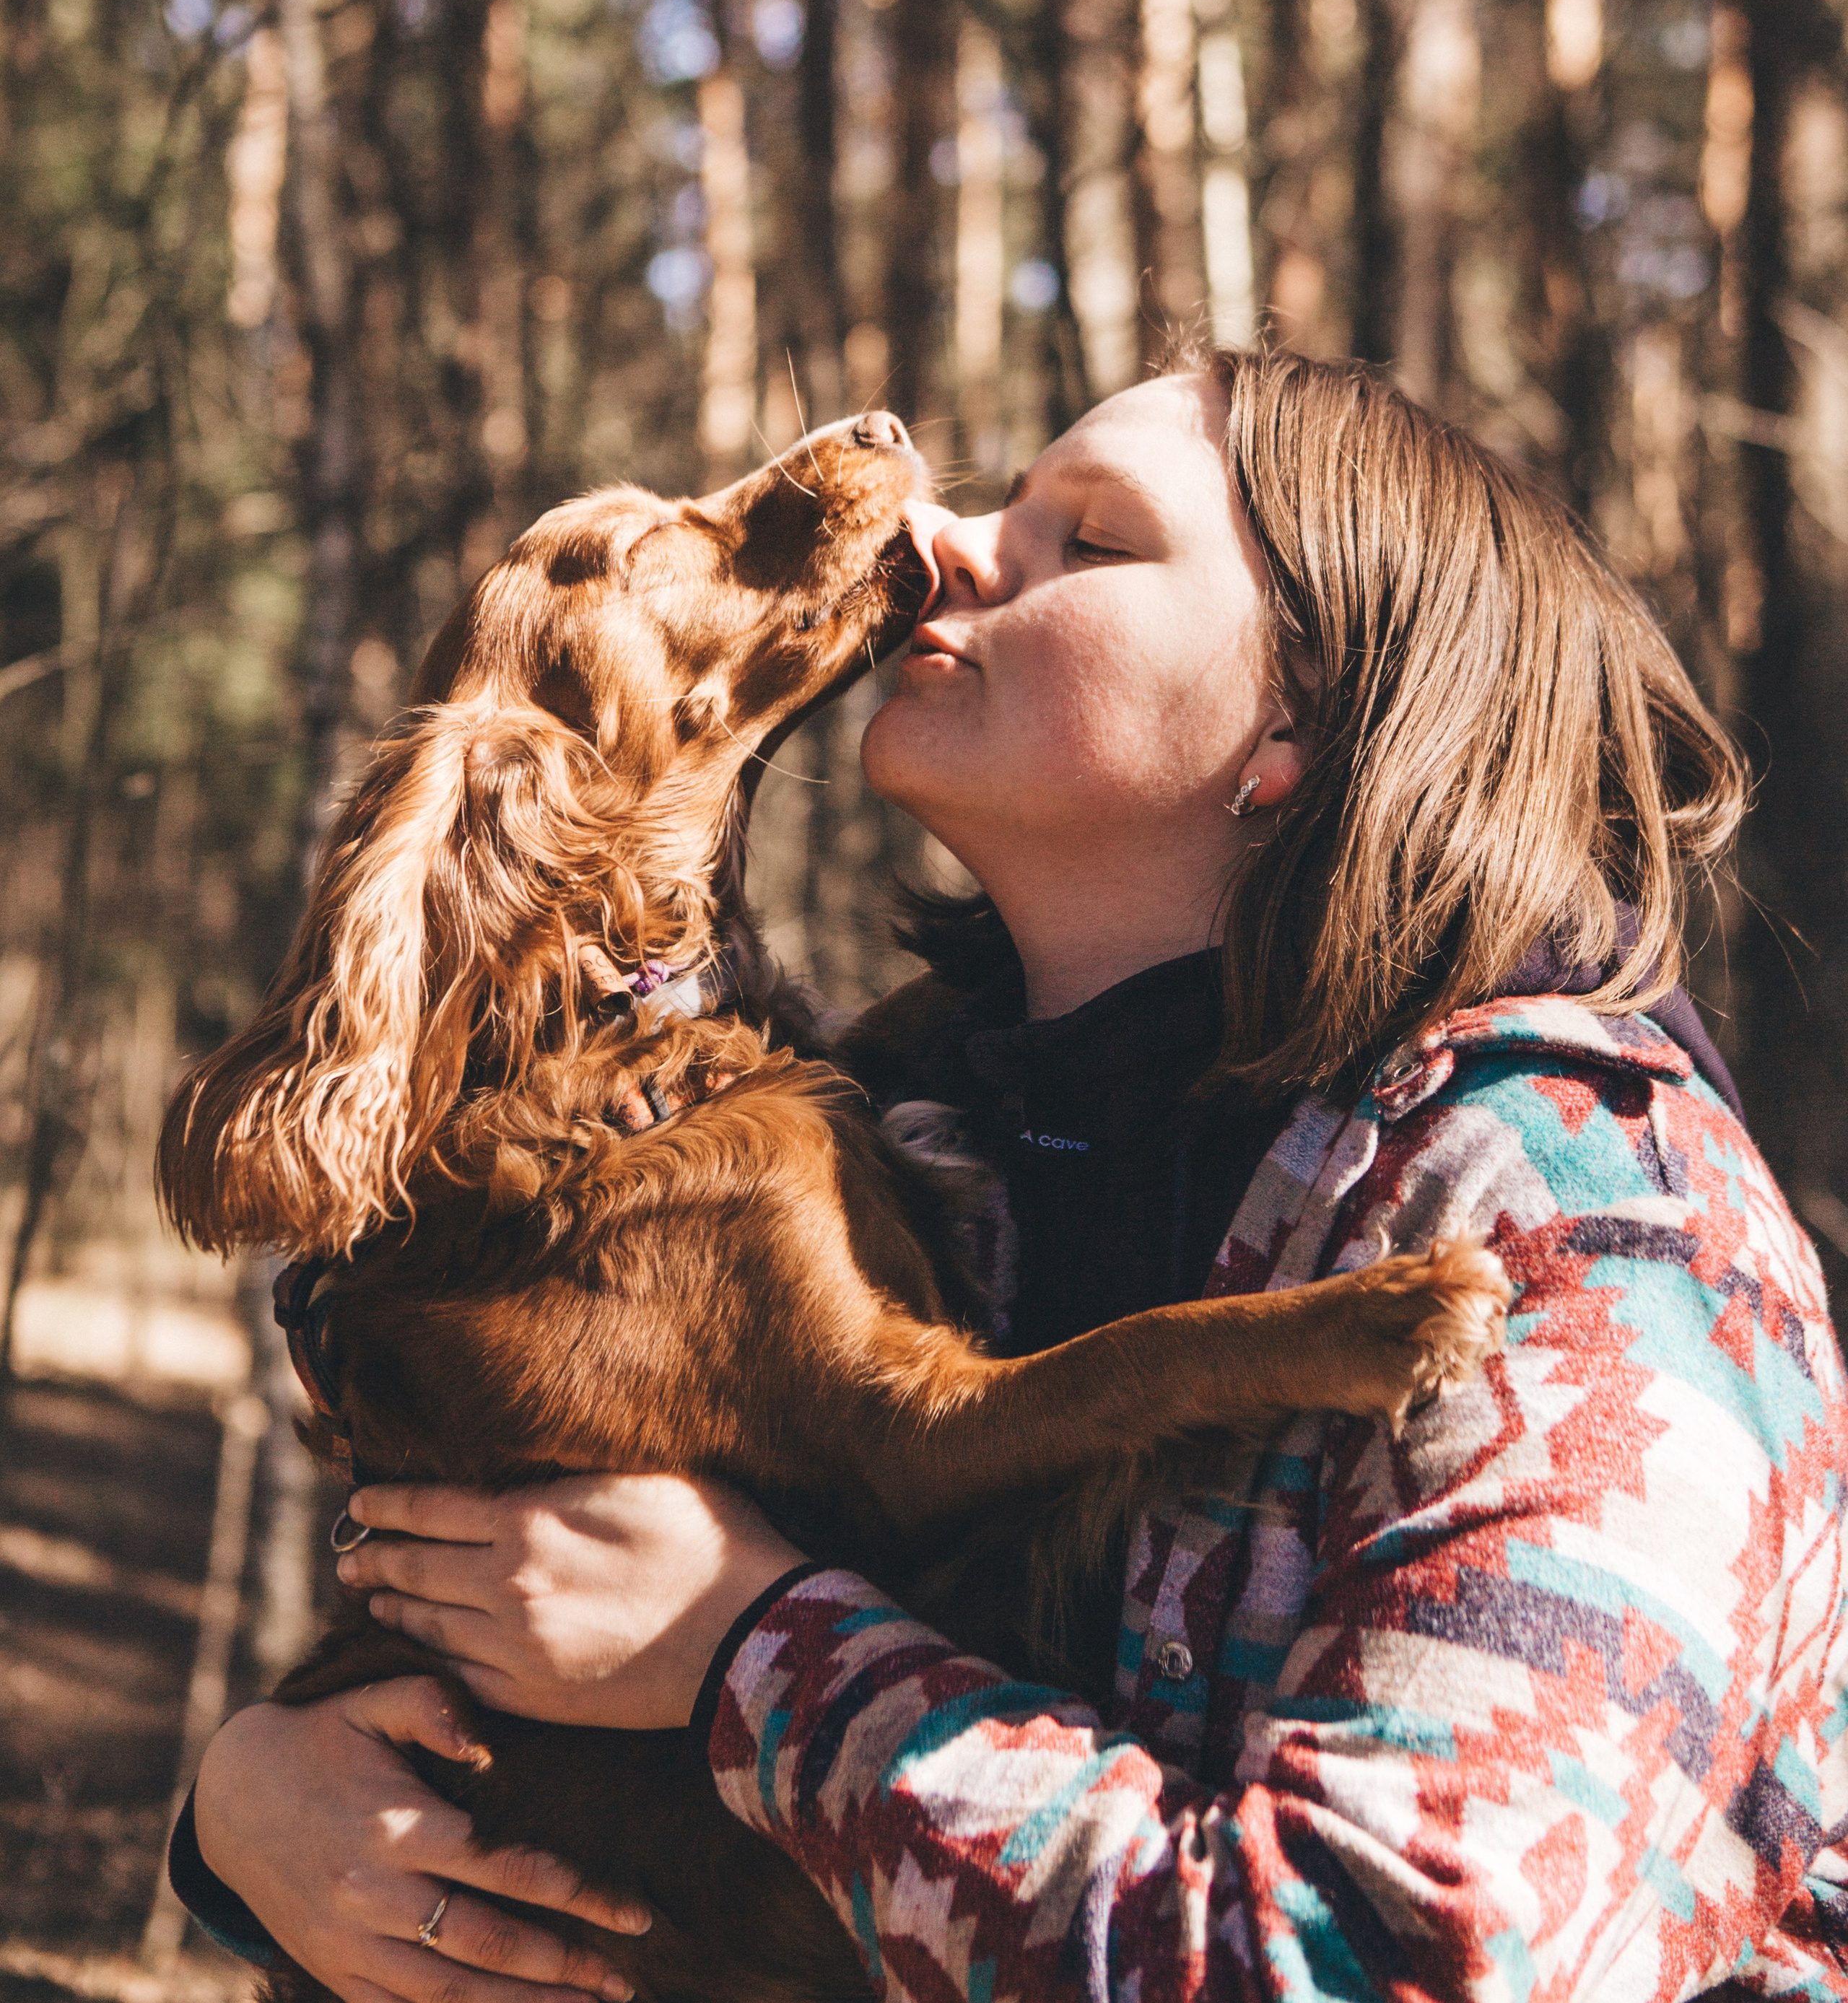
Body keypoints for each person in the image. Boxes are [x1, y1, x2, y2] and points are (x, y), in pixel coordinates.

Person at [174, 352, 1848, 2003]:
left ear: (1300, 716)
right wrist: (257, 1807)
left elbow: (1389, 1965)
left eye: (1089, 539)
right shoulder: (904, 1116)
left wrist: (748, 1661)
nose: (956, 538)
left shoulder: (1605, 1239)